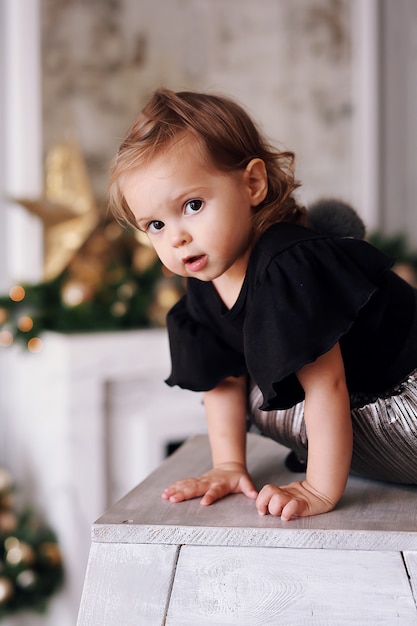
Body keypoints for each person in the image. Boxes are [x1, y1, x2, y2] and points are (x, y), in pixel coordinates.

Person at [108, 88, 417, 521]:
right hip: (369, 410)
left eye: (192, 205)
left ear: (252, 184)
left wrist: (319, 489)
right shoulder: (204, 281)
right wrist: (229, 465)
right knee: (254, 388)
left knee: (279, 390)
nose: (176, 238)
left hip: (408, 395)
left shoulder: (285, 263)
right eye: (155, 225)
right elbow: (223, 381)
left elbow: (325, 385)